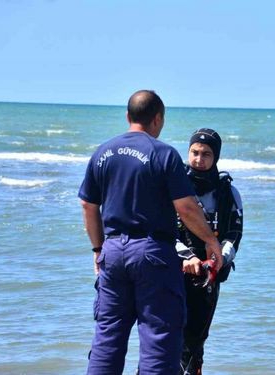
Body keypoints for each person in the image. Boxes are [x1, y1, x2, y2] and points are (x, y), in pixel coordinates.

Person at [78, 90, 222, 375]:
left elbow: (87, 204)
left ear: (128, 116)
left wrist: (97, 249)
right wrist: (211, 241)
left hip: (113, 251)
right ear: (158, 119)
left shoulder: (103, 152)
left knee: (108, 338)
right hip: (152, 253)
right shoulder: (163, 153)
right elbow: (186, 208)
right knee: (159, 337)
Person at [176, 128, 243, 375]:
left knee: (196, 342)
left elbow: (235, 234)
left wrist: (219, 260)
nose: (198, 159)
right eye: (194, 152)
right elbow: (163, 231)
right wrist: (187, 257)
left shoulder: (228, 192)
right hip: (173, 271)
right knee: (165, 337)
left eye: (206, 154)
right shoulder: (175, 187)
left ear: (215, 157)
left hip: (209, 277)